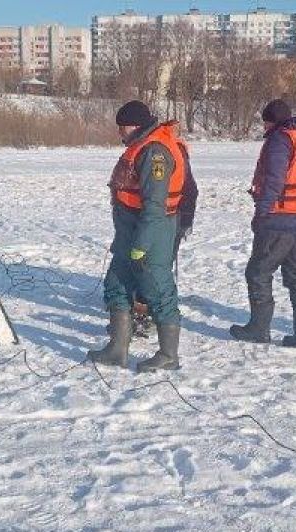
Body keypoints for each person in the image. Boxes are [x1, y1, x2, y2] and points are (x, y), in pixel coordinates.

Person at [88, 101, 185, 371]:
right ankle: (117, 348)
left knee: (158, 289)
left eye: (123, 127)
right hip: (129, 232)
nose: (120, 132)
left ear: (137, 125)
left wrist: (141, 246)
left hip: (151, 234)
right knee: (116, 284)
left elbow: (154, 207)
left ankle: (168, 355)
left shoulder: (155, 153)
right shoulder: (138, 147)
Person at [230, 99, 296, 351]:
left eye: (264, 121)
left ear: (270, 120)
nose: (263, 126)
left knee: (259, 271)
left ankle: (258, 329)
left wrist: (262, 212)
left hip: (282, 215)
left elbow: (274, 178)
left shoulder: (279, 139)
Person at [130, 141, 197, 338]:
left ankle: (150, 315)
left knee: (152, 269)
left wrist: (185, 220)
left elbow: (190, 189)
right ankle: (147, 311)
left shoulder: (164, 150)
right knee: (153, 268)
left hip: (168, 218)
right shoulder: (169, 148)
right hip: (162, 217)